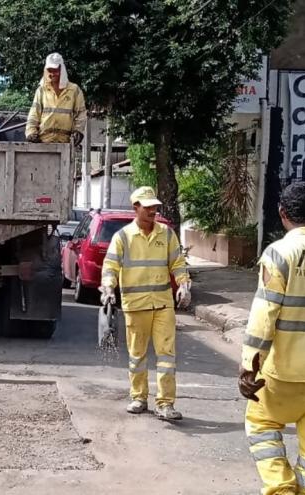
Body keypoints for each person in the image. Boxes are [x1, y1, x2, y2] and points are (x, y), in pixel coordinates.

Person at [239, 182, 305, 495]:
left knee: (260, 422)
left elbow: (264, 315)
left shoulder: (279, 253)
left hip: (287, 374)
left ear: (282, 213)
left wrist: (249, 364)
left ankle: (281, 488)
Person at [99, 186, 191, 420]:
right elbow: (110, 266)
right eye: (148, 206)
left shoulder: (167, 234)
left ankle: (165, 403)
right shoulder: (123, 237)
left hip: (162, 304)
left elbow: (177, 263)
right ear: (136, 208)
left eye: (155, 207)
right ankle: (139, 397)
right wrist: (108, 288)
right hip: (135, 305)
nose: (153, 210)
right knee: (137, 355)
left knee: (166, 355)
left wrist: (183, 284)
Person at [25, 52, 87, 146]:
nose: (52, 74)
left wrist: (78, 130)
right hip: (43, 142)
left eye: (55, 70)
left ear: (61, 70)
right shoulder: (41, 90)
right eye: (50, 70)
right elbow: (34, 113)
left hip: (65, 142)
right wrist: (31, 131)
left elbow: (81, 113)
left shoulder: (74, 90)